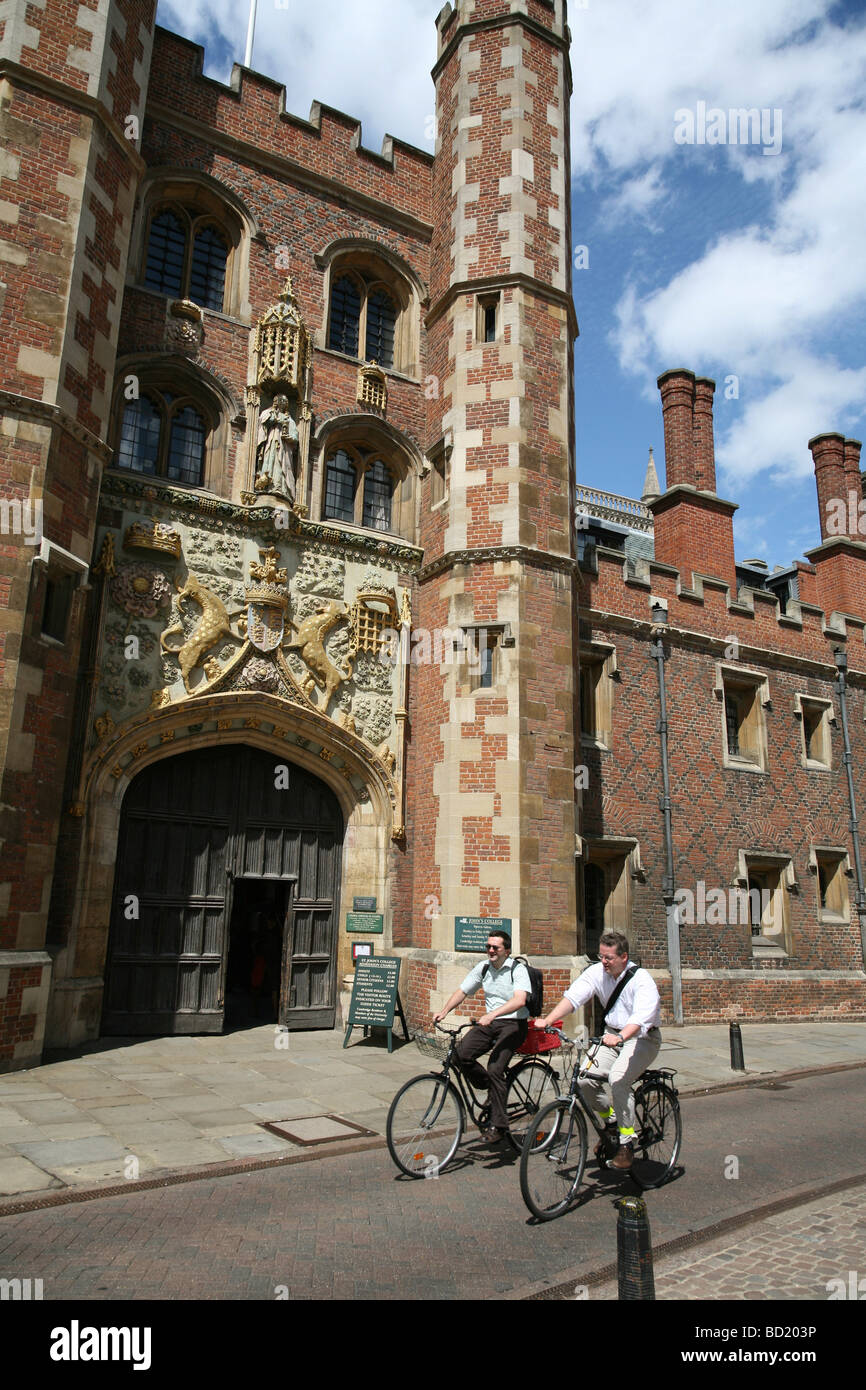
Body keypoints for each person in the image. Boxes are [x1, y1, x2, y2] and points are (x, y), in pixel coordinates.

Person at [535, 930, 661, 1171]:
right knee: (584, 1080)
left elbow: (641, 1019)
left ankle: (626, 1144)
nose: (603, 962)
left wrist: (621, 1037)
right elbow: (573, 998)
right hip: (612, 1034)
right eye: (600, 956)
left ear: (624, 957)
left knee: (618, 1080)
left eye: (608, 958)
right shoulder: (597, 972)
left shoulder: (642, 980)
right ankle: (612, 1122)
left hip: (642, 1037)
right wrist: (548, 1020)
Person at [433, 931, 531, 1143]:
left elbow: (520, 1000)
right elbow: (462, 991)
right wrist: (444, 1011)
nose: (491, 950)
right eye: (488, 946)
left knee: (496, 1068)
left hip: (514, 1024)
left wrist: (493, 1014)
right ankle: (493, 1090)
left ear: (507, 950)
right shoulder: (484, 967)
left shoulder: (518, 970)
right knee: (460, 1055)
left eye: (495, 947)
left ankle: (499, 1125)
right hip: (490, 1023)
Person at [255, 394, 298, 502]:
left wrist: (288, 437)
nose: (283, 404)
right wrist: (276, 419)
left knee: (281, 464)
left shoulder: (290, 420)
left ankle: (280, 488)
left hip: (284, 448)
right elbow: (263, 421)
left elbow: (295, 437)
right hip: (271, 441)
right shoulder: (269, 412)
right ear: (276, 402)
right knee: (270, 460)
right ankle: (266, 485)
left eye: (285, 402)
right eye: (281, 401)